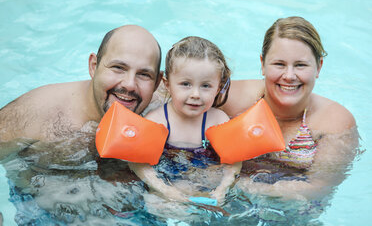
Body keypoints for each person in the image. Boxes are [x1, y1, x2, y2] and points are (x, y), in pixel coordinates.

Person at [221, 16, 360, 202]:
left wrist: (243, 186)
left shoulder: (334, 122)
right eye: (279, 64)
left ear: (319, 67)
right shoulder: (231, 99)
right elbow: (176, 93)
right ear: (262, 64)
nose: (289, 76)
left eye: (300, 65)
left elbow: (319, 187)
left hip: (291, 213)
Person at [0, 25, 163, 143]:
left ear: (157, 82)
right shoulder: (35, 113)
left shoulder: (167, 107)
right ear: (93, 66)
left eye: (143, 74)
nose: (129, 85)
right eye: (118, 68)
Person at [129, 36, 242, 205]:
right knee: (155, 205)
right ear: (167, 84)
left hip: (207, 184)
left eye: (205, 86)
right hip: (166, 186)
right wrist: (165, 190)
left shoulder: (218, 120)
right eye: (185, 84)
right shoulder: (157, 121)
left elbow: (233, 162)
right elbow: (138, 164)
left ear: (218, 87)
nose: (195, 94)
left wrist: (222, 189)